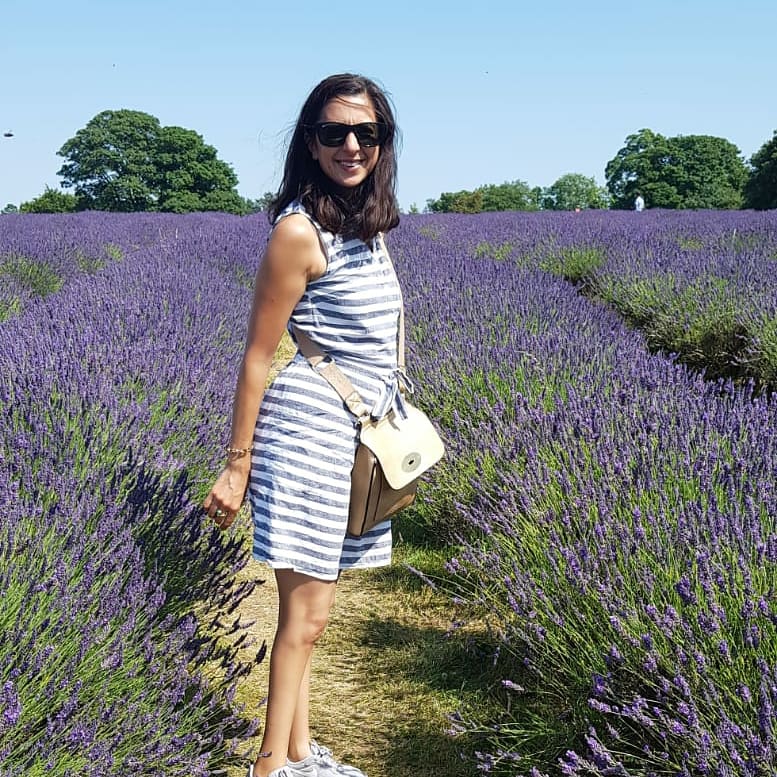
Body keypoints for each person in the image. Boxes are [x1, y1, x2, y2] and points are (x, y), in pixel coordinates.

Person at [203, 73, 401, 777]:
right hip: (307, 434)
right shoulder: (298, 231)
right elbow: (258, 356)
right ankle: (268, 766)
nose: (350, 145)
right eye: (333, 132)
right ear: (309, 142)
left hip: (351, 436)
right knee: (304, 617)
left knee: (313, 618)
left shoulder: (364, 228)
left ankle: (299, 751)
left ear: (382, 142)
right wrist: (237, 463)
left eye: (366, 133)